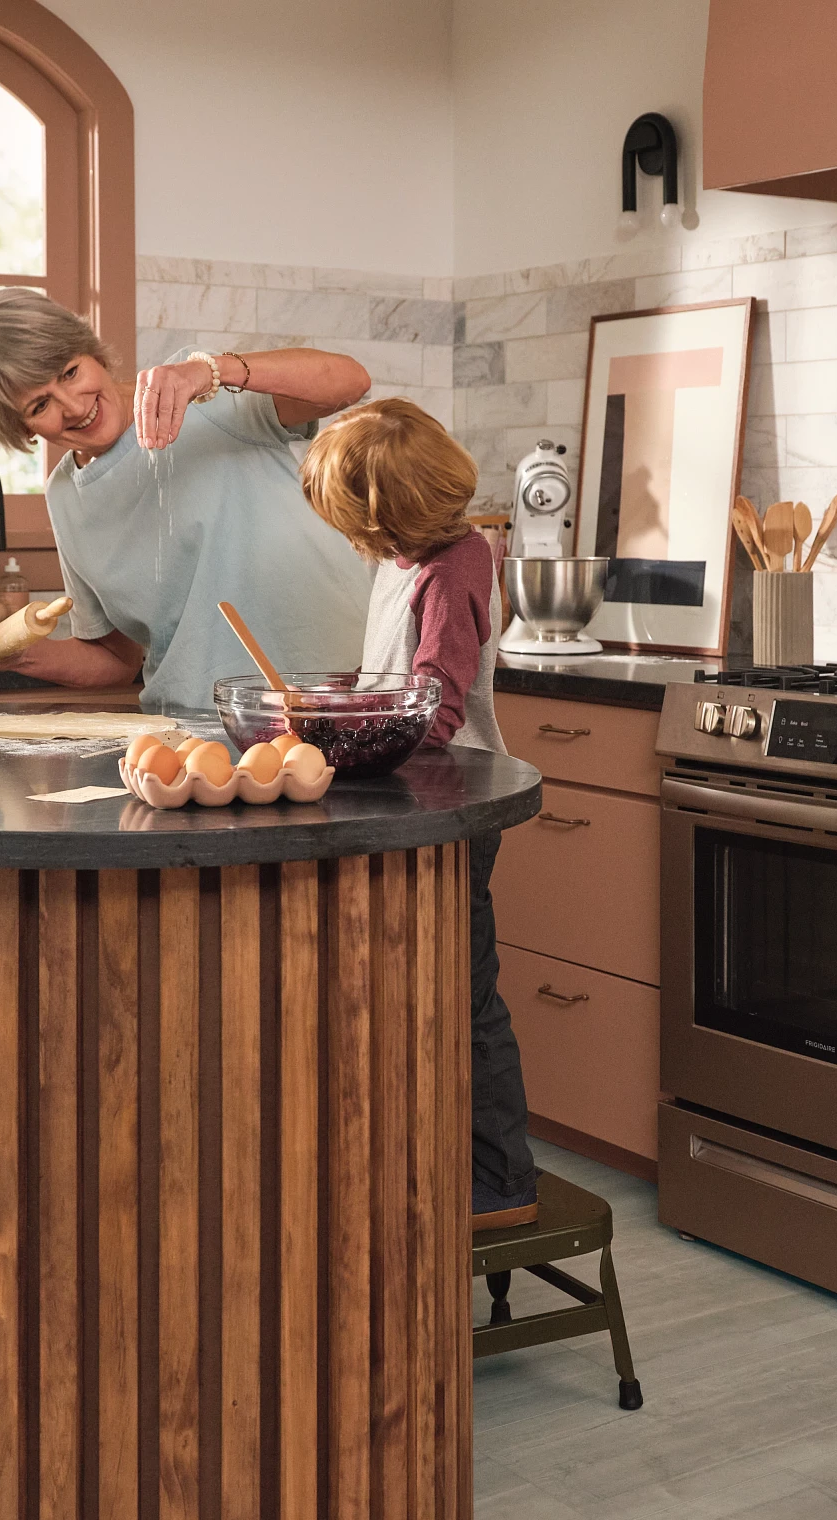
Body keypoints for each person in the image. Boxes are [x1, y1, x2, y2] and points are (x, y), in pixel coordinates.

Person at [300, 398, 538, 1229]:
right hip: (408, 803)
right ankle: (427, 1158)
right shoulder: (407, 558)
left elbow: (433, 703)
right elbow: (391, 679)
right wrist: (342, 702)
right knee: (413, 995)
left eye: (358, 529)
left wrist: (343, 730)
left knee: (465, 998)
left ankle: (503, 1182)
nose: (359, 546)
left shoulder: (454, 567)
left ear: (388, 517)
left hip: (451, 813)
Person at [0, 289, 373, 717]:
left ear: (92, 353)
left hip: (340, 703)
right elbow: (117, 659)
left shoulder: (201, 396)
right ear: (22, 430)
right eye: (41, 404)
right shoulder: (66, 499)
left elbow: (351, 382)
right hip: (196, 733)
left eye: (70, 373)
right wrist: (18, 656)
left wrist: (213, 371)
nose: (74, 406)